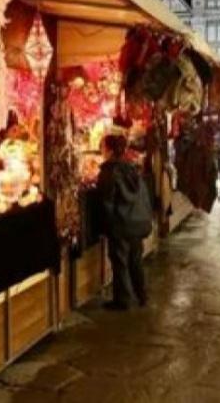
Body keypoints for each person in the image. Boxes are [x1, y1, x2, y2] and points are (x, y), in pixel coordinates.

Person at [96, 133, 153, 311]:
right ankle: (142, 295)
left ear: (110, 150)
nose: (101, 151)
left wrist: (108, 225)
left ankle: (123, 300)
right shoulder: (132, 169)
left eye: (102, 147)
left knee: (120, 261)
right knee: (135, 260)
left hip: (121, 223)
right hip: (137, 222)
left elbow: (107, 203)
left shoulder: (108, 172)